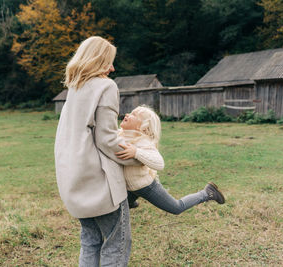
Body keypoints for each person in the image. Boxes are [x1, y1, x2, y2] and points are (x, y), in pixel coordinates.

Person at [54, 36, 140, 267]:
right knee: (117, 243)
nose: (112, 68)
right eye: (109, 62)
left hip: (73, 180)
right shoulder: (106, 86)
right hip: (100, 183)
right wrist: (138, 156)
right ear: (99, 60)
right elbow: (107, 139)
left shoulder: (74, 89)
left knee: (90, 242)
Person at [115, 106, 225, 215]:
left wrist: (136, 152)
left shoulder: (143, 141)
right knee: (118, 205)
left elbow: (159, 163)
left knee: (177, 207)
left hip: (146, 187)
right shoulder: (120, 134)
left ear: (143, 127)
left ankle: (207, 193)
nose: (127, 114)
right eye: (130, 112)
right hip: (129, 187)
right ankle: (130, 202)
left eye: (134, 115)